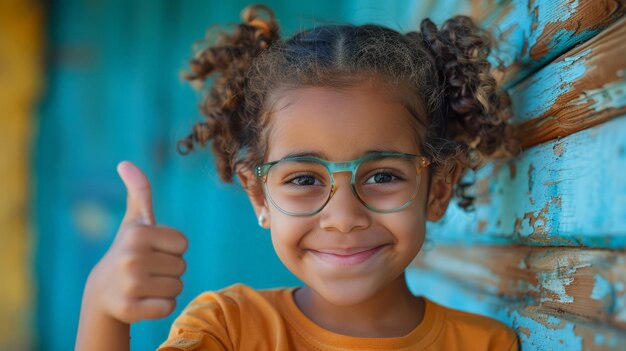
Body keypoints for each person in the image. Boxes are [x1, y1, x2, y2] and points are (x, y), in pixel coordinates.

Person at [75, 3, 521, 350]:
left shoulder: (486, 344)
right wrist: (101, 307)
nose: (343, 218)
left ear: (438, 187)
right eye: (304, 180)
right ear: (259, 196)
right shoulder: (227, 331)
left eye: (383, 175)